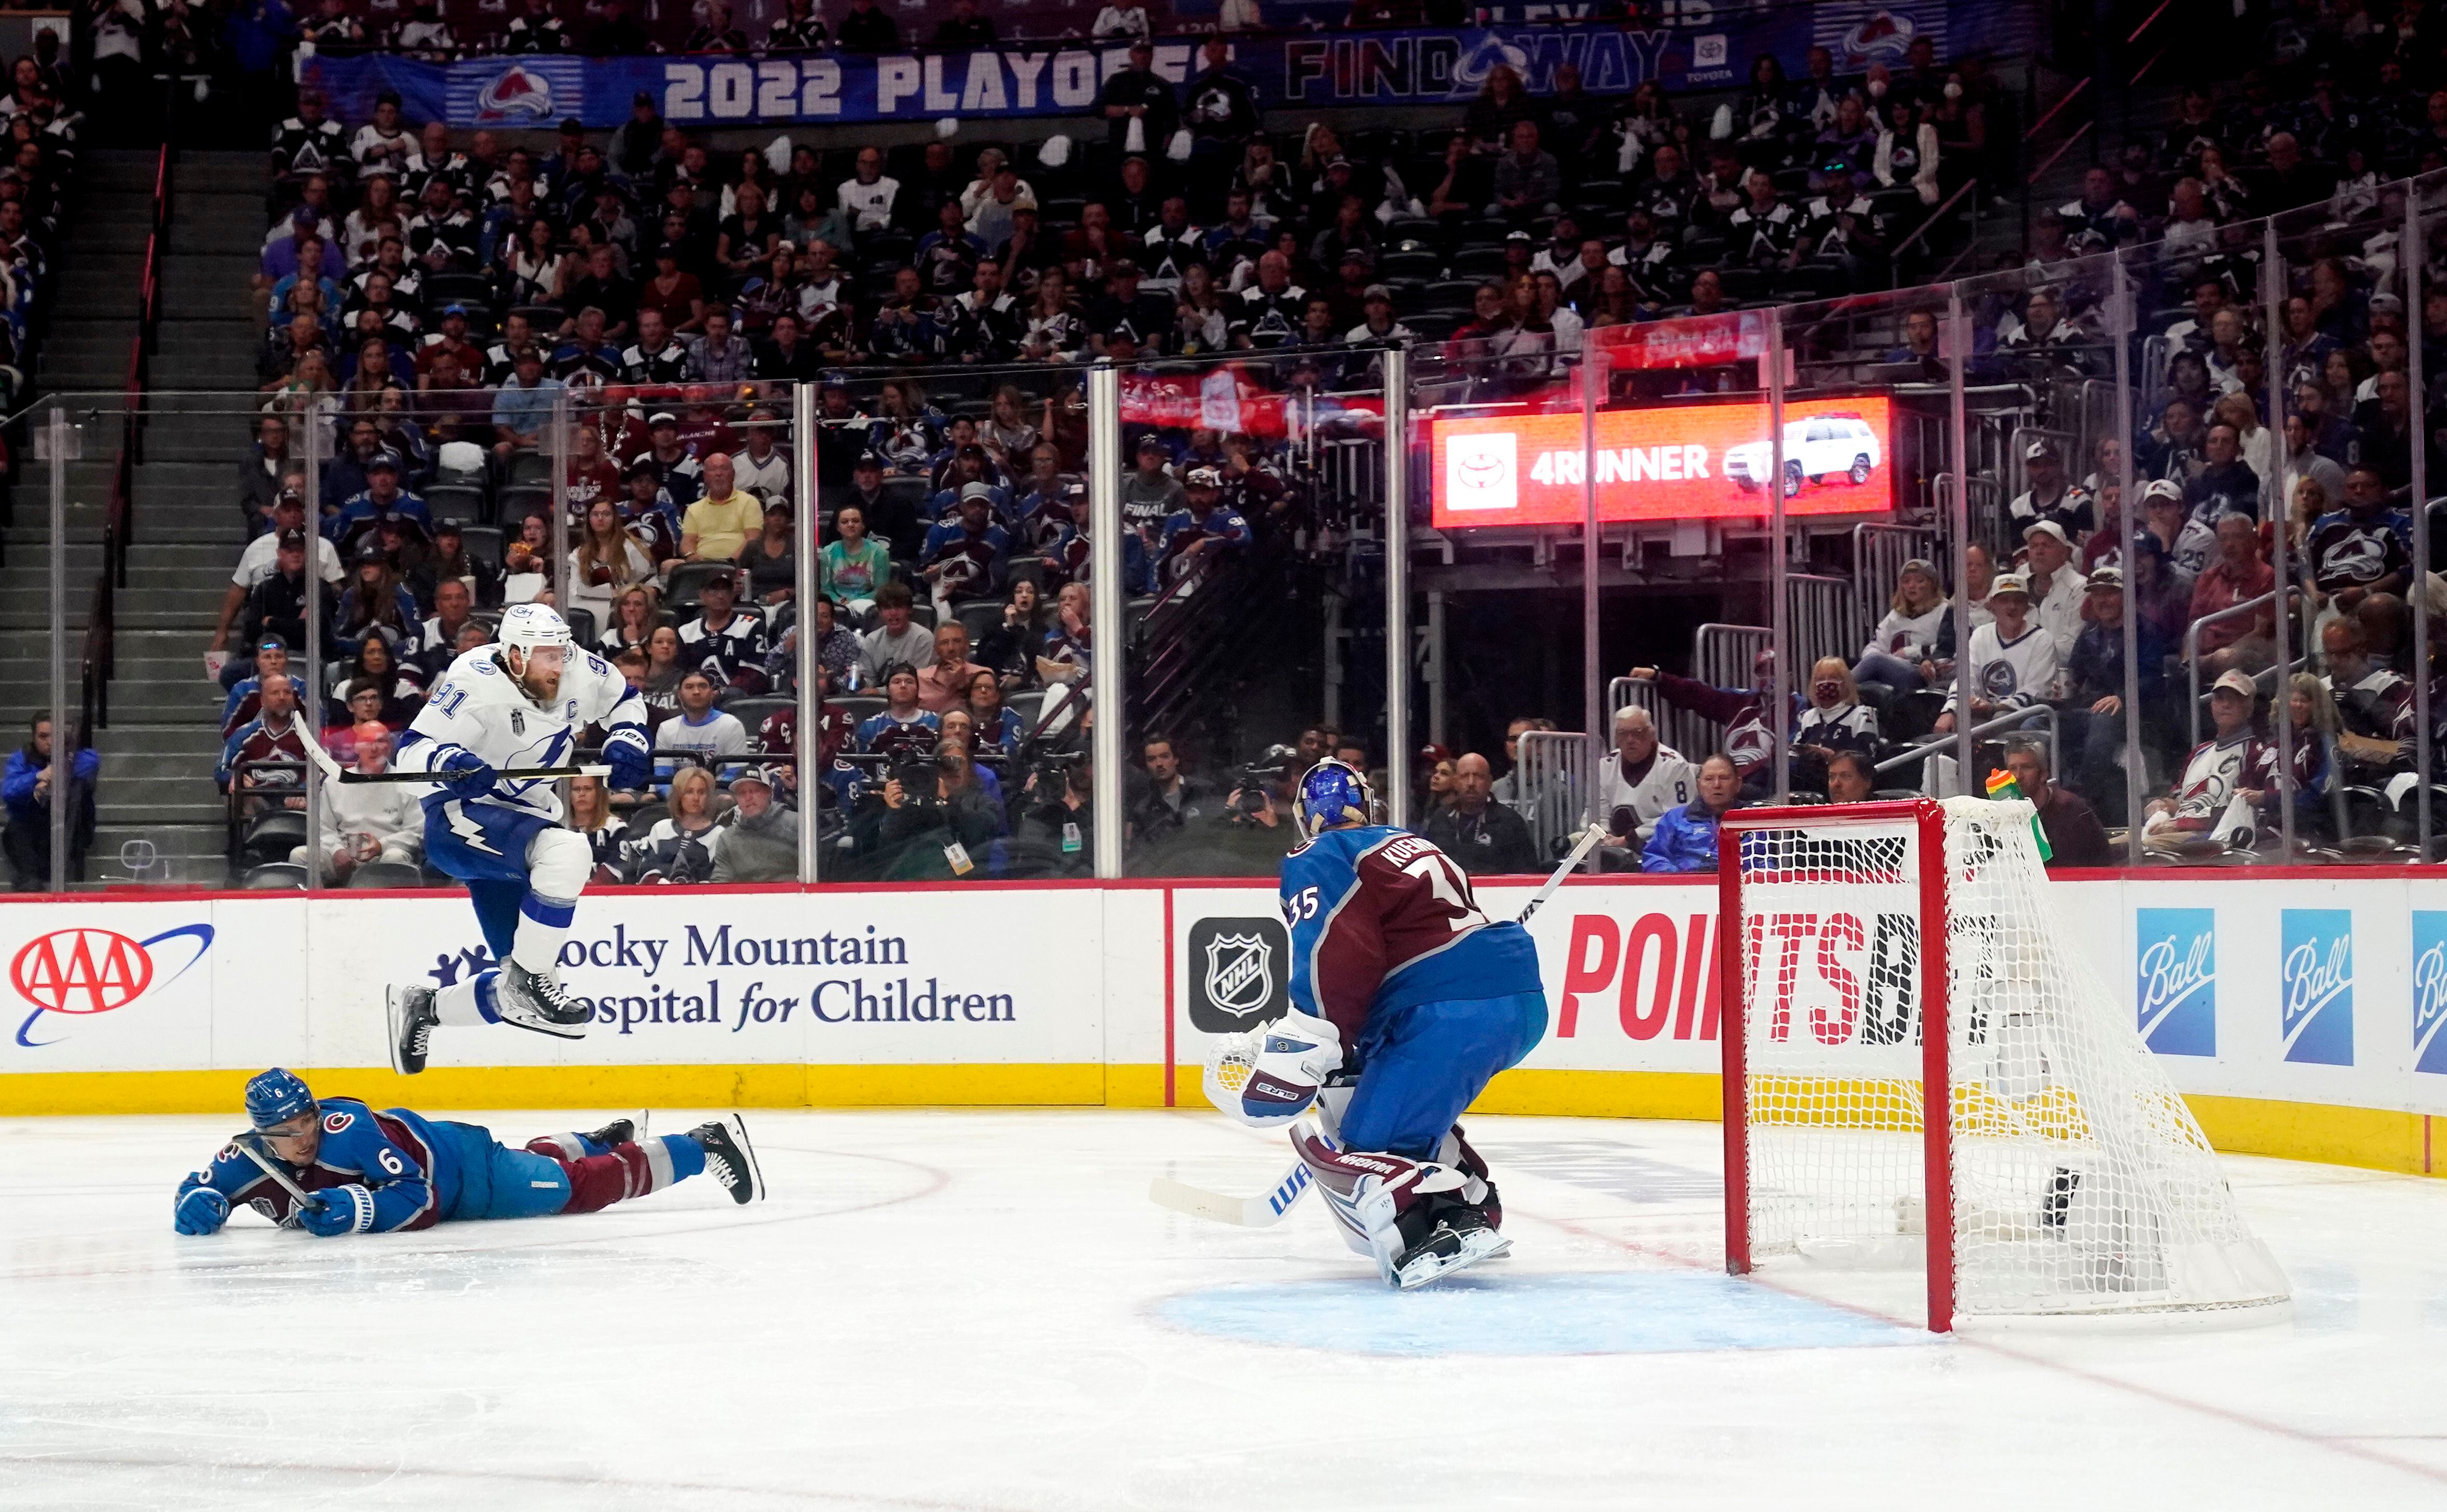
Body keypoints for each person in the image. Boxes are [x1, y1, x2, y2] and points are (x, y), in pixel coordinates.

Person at [1211, 758, 1544, 1289]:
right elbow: (1398, 949)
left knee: (1364, 1145)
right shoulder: (1407, 843)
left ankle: (1430, 1229)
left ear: (1306, 818)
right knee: (1383, 1098)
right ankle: (1472, 1201)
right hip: (1514, 1000)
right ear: (1365, 805)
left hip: (1449, 1010)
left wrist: (1314, 1037)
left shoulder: (1320, 852)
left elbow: (1330, 950)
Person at [381, 604, 655, 1074]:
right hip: (460, 820)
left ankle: (425, 1007)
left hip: (524, 825)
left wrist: (629, 736)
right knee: (569, 850)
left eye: (561, 651)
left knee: (524, 998)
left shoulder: (578, 668)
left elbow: (624, 697)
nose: (560, 663)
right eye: (547, 655)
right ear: (514, 655)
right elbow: (409, 755)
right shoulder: (473, 678)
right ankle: (531, 977)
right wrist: (448, 760)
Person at [171, 1069, 760, 1242]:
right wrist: (198, 1205)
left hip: (463, 1173)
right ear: (261, 1132)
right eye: (289, 1129)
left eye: (308, 1119)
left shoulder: (348, 1130)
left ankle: (698, 1147)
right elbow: (200, 1188)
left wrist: (355, 1209)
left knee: (570, 1189)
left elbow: (418, 1196)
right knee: (543, 1165)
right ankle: (606, 1136)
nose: (305, 1135)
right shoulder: (250, 1159)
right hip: (460, 1169)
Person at [2142, 669, 2276, 850]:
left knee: (2145, 849)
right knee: (2111, 848)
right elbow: (2181, 802)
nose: (2226, 704)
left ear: (2249, 707)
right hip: (2176, 830)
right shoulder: (2199, 752)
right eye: (2220, 698)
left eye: (2235, 698)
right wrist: (2162, 805)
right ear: (2212, 705)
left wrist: (2180, 824)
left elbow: (2244, 813)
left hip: (2213, 838)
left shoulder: (2257, 753)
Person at [290, 724, 423, 882]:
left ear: (390, 747)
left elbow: (416, 831)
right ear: (356, 747)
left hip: (384, 854)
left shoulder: (406, 782)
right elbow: (322, 828)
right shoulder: (335, 783)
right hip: (342, 854)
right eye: (367, 742)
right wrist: (337, 851)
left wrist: (382, 845)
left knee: (396, 856)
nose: (373, 748)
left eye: (380, 741)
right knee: (300, 855)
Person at [3, 715, 97, 890]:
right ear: (33, 738)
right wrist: (38, 777)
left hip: (72, 825)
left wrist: (55, 773)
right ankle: (30, 881)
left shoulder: (81, 756)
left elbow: (91, 762)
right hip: (34, 828)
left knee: (78, 787)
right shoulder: (21, 758)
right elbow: (8, 791)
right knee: (14, 829)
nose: (50, 742)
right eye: (43, 737)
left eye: (55, 735)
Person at [1592, 705, 1692, 854]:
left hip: (1661, 846)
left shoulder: (1674, 765)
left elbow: (1680, 817)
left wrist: (1632, 837)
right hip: (1613, 846)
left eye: (1637, 733)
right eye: (1623, 734)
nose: (1630, 740)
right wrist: (1602, 835)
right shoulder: (1605, 765)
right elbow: (1597, 814)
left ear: (1651, 734)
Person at [1418, 752, 1539, 875]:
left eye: (1478, 776)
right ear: (1455, 783)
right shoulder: (1441, 819)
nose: (1471, 783)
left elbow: (1527, 872)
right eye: (1465, 776)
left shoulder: (1510, 821)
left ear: (1490, 782)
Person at [2000, 736, 2110, 868]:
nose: (2018, 776)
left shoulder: (2070, 811)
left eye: (2026, 767)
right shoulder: (2006, 812)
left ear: (2044, 774)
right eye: (2012, 769)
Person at [1639, 752, 1741, 874]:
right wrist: (1679, 881)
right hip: (1682, 888)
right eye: (1709, 779)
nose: (1716, 785)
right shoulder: (1674, 819)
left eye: (1724, 778)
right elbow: (1654, 856)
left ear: (1738, 784)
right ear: (1699, 785)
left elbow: (1763, 862)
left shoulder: (1755, 821)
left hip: (1740, 887)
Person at [708, 764, 798, 882]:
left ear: (769, 792)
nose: (748, 798)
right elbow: (720, 884)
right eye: (742, 793)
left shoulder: (797, 825)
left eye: (755, 791)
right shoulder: (727, 839)